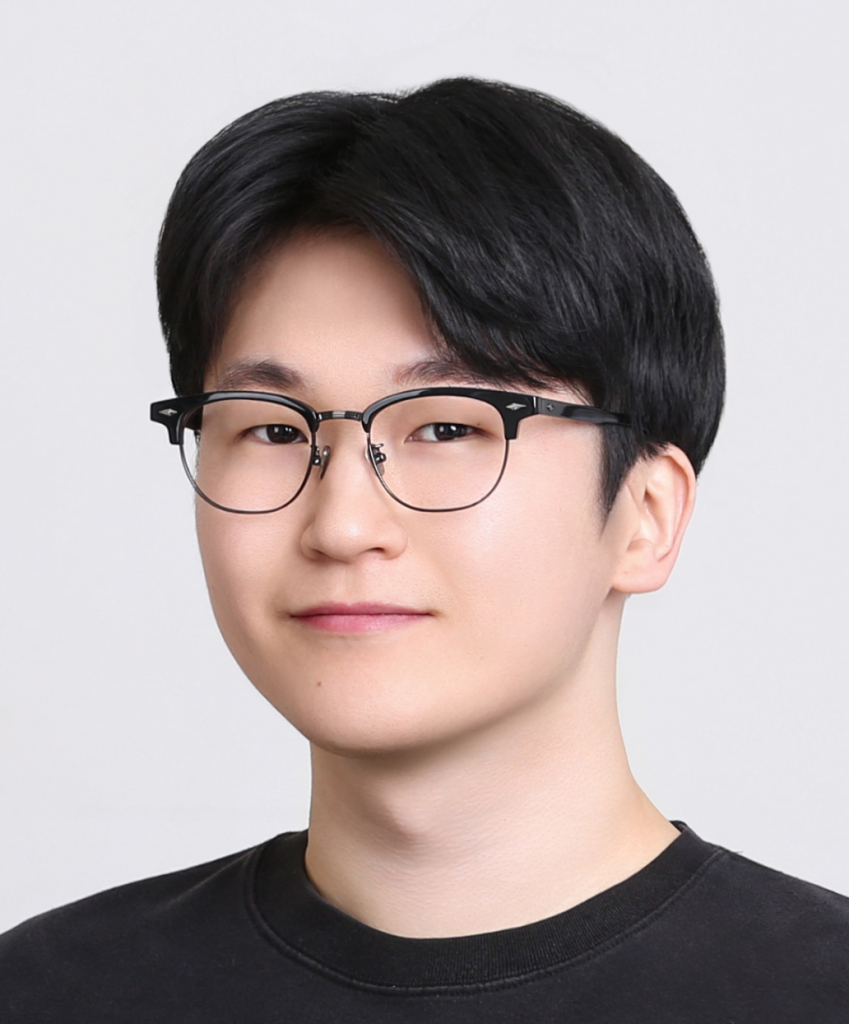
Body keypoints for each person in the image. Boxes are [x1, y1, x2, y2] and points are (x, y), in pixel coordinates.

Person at [1, 77, 847, 1022]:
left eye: (447, 428)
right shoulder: (48, 991)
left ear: (645, 514)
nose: (341, 525)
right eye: (273, 428)